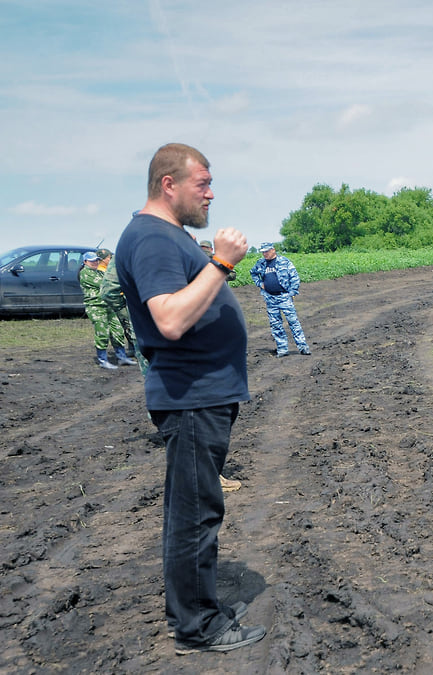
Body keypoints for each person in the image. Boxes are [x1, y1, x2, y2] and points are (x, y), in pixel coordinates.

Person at [114, 142, 265, 654]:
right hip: (191, 397)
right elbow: (171, 319)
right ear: (168, 184)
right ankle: (198, 626)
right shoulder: (153, 238)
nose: (211, 193)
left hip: (203, 395)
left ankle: (197, 607)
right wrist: (220, 263)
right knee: (194, 513)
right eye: (202, 183)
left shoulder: (166, 235)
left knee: (199, 507)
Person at [249, 242, 311, 358]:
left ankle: (303, 347)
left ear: (273, 250)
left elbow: (294, 277)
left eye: (266, 251)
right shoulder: (261, 263)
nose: (265, 254)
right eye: (263, 252)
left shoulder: (284, 261)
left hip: (284, 296)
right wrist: (260, 283)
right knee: (275, 324)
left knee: (293, 322)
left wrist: (292, 292)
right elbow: (253, 273)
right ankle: (282, 349)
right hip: (270, 297)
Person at [80, 251, 136, 369]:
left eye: (96, 260)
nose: (95, 262)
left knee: (117, 330)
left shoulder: (99, 272)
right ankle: (102, 360)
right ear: (85, 262)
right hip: (96, 307)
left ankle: (121, 357)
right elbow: (105, 284)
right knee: (102, 333)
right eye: (92, 261)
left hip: (108, 306)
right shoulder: (85, 273)